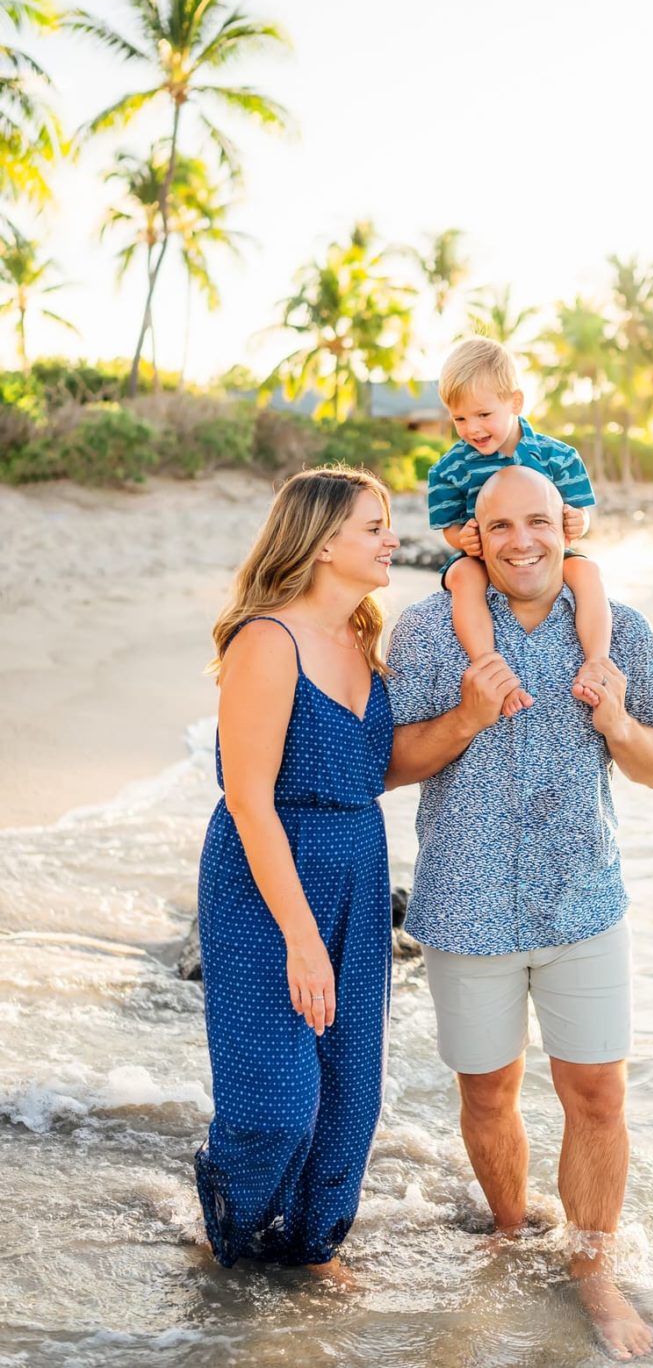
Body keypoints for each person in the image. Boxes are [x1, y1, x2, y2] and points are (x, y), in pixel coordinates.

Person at [386, 464, 653, 1360]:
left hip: (582, 902)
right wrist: (468, 717)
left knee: (597, 1092)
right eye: (502, 526)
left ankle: (593, 1270)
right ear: (473, 538)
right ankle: (511, 1230)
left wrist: (622, 728)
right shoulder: (428, 633)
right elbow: (392, 763)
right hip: (465, 906)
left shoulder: (619, 631)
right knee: (489, 1092)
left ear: (567, 527)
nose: (524, 541)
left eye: (539, 523)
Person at [194, 465, 400, 1279]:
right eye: (374, 526)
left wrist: (469, 717)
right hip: (264, 882)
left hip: (359, 867)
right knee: (279, 1107)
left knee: (351, 1104)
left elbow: (368, 766)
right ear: (320, 544)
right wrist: (302, 939)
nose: (392, 538)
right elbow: (248, 799)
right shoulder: (265, 641)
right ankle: (232, 1244)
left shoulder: (360, 636)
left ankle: (310, 1255)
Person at [428, 335, 611, 716]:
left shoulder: (557, 456)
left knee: (587, 570)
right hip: (482, 558)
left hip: (543, 556)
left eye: (482, 415)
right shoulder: (449, 468)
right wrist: (462, 538)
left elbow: (579, 512)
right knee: (463, 578)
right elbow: (447, 526)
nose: (472, 429)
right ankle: (489, 665)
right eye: (459, 419)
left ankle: (596, 660)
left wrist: (580, 521)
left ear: (515, 402)